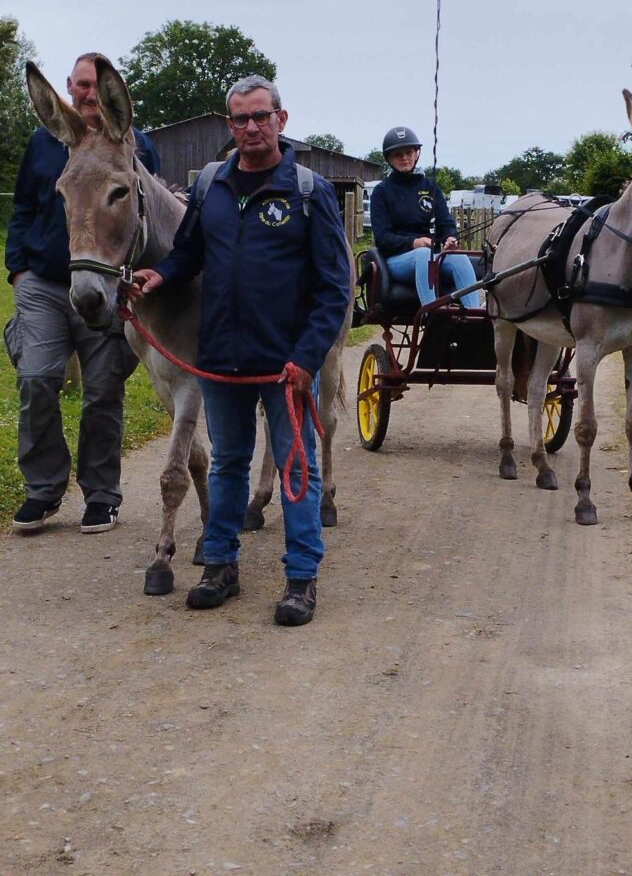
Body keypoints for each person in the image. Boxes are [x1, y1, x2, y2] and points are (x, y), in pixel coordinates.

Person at [127, 75, 350, 625]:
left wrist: (308, 356)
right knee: (228, 464)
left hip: (287, 363)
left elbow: (333, 287)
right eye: (241, 119)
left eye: (261, 116)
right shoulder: (211, 187)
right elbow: (189, 255)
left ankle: (301, 578)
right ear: (230, 125)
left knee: (297, 469)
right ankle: (221, 566)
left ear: (281, 119)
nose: (251, 127)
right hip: (222, 358)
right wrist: (160, 275)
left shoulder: (308, 192)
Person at [5, 52, 160, 535]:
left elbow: (147, 217)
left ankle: (100, 495)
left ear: (108, 91)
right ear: (68, 90)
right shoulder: (44, 144)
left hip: (108, 284)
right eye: (79, 86)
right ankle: (44, 488)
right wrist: (18, 272)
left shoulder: (136, 147)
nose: (86, 95)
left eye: (94, 86)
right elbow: (25, 208)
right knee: (36, 378)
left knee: (102, 390)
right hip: (46, 284)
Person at [370, 127, 480, 308]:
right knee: (423, 254)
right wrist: (413, 243)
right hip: (396, 260)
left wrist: (451, 239)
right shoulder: (382, 192)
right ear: (389, 158)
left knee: (459, 258)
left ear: (416, 154)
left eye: (408, 152)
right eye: (398, 154)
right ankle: (433, 317)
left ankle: (474, 318)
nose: (404, 158)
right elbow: (383, 238)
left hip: (429, 256)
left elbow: (446, 224)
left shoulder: (431, 187)